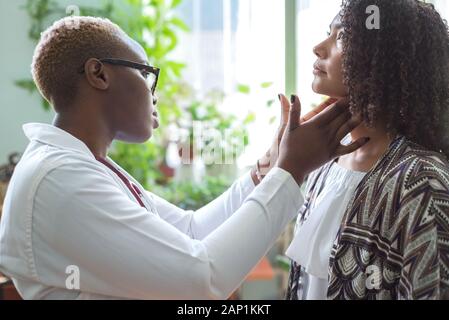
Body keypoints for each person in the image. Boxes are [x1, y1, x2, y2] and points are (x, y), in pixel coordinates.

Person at [0, 16, 367, 300]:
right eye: (147, 74)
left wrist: (266, 170)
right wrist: (291, 170)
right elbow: (200, 281)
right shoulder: (61, 180)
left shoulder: (83, 165)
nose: (153, 94)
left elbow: (190, 231)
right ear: (99, 74)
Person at [285, 0, 449, 300]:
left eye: (343, 37)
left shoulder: (422, 181)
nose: (319, 48)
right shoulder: (326, 163)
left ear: (387, 59)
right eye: (328, 33)